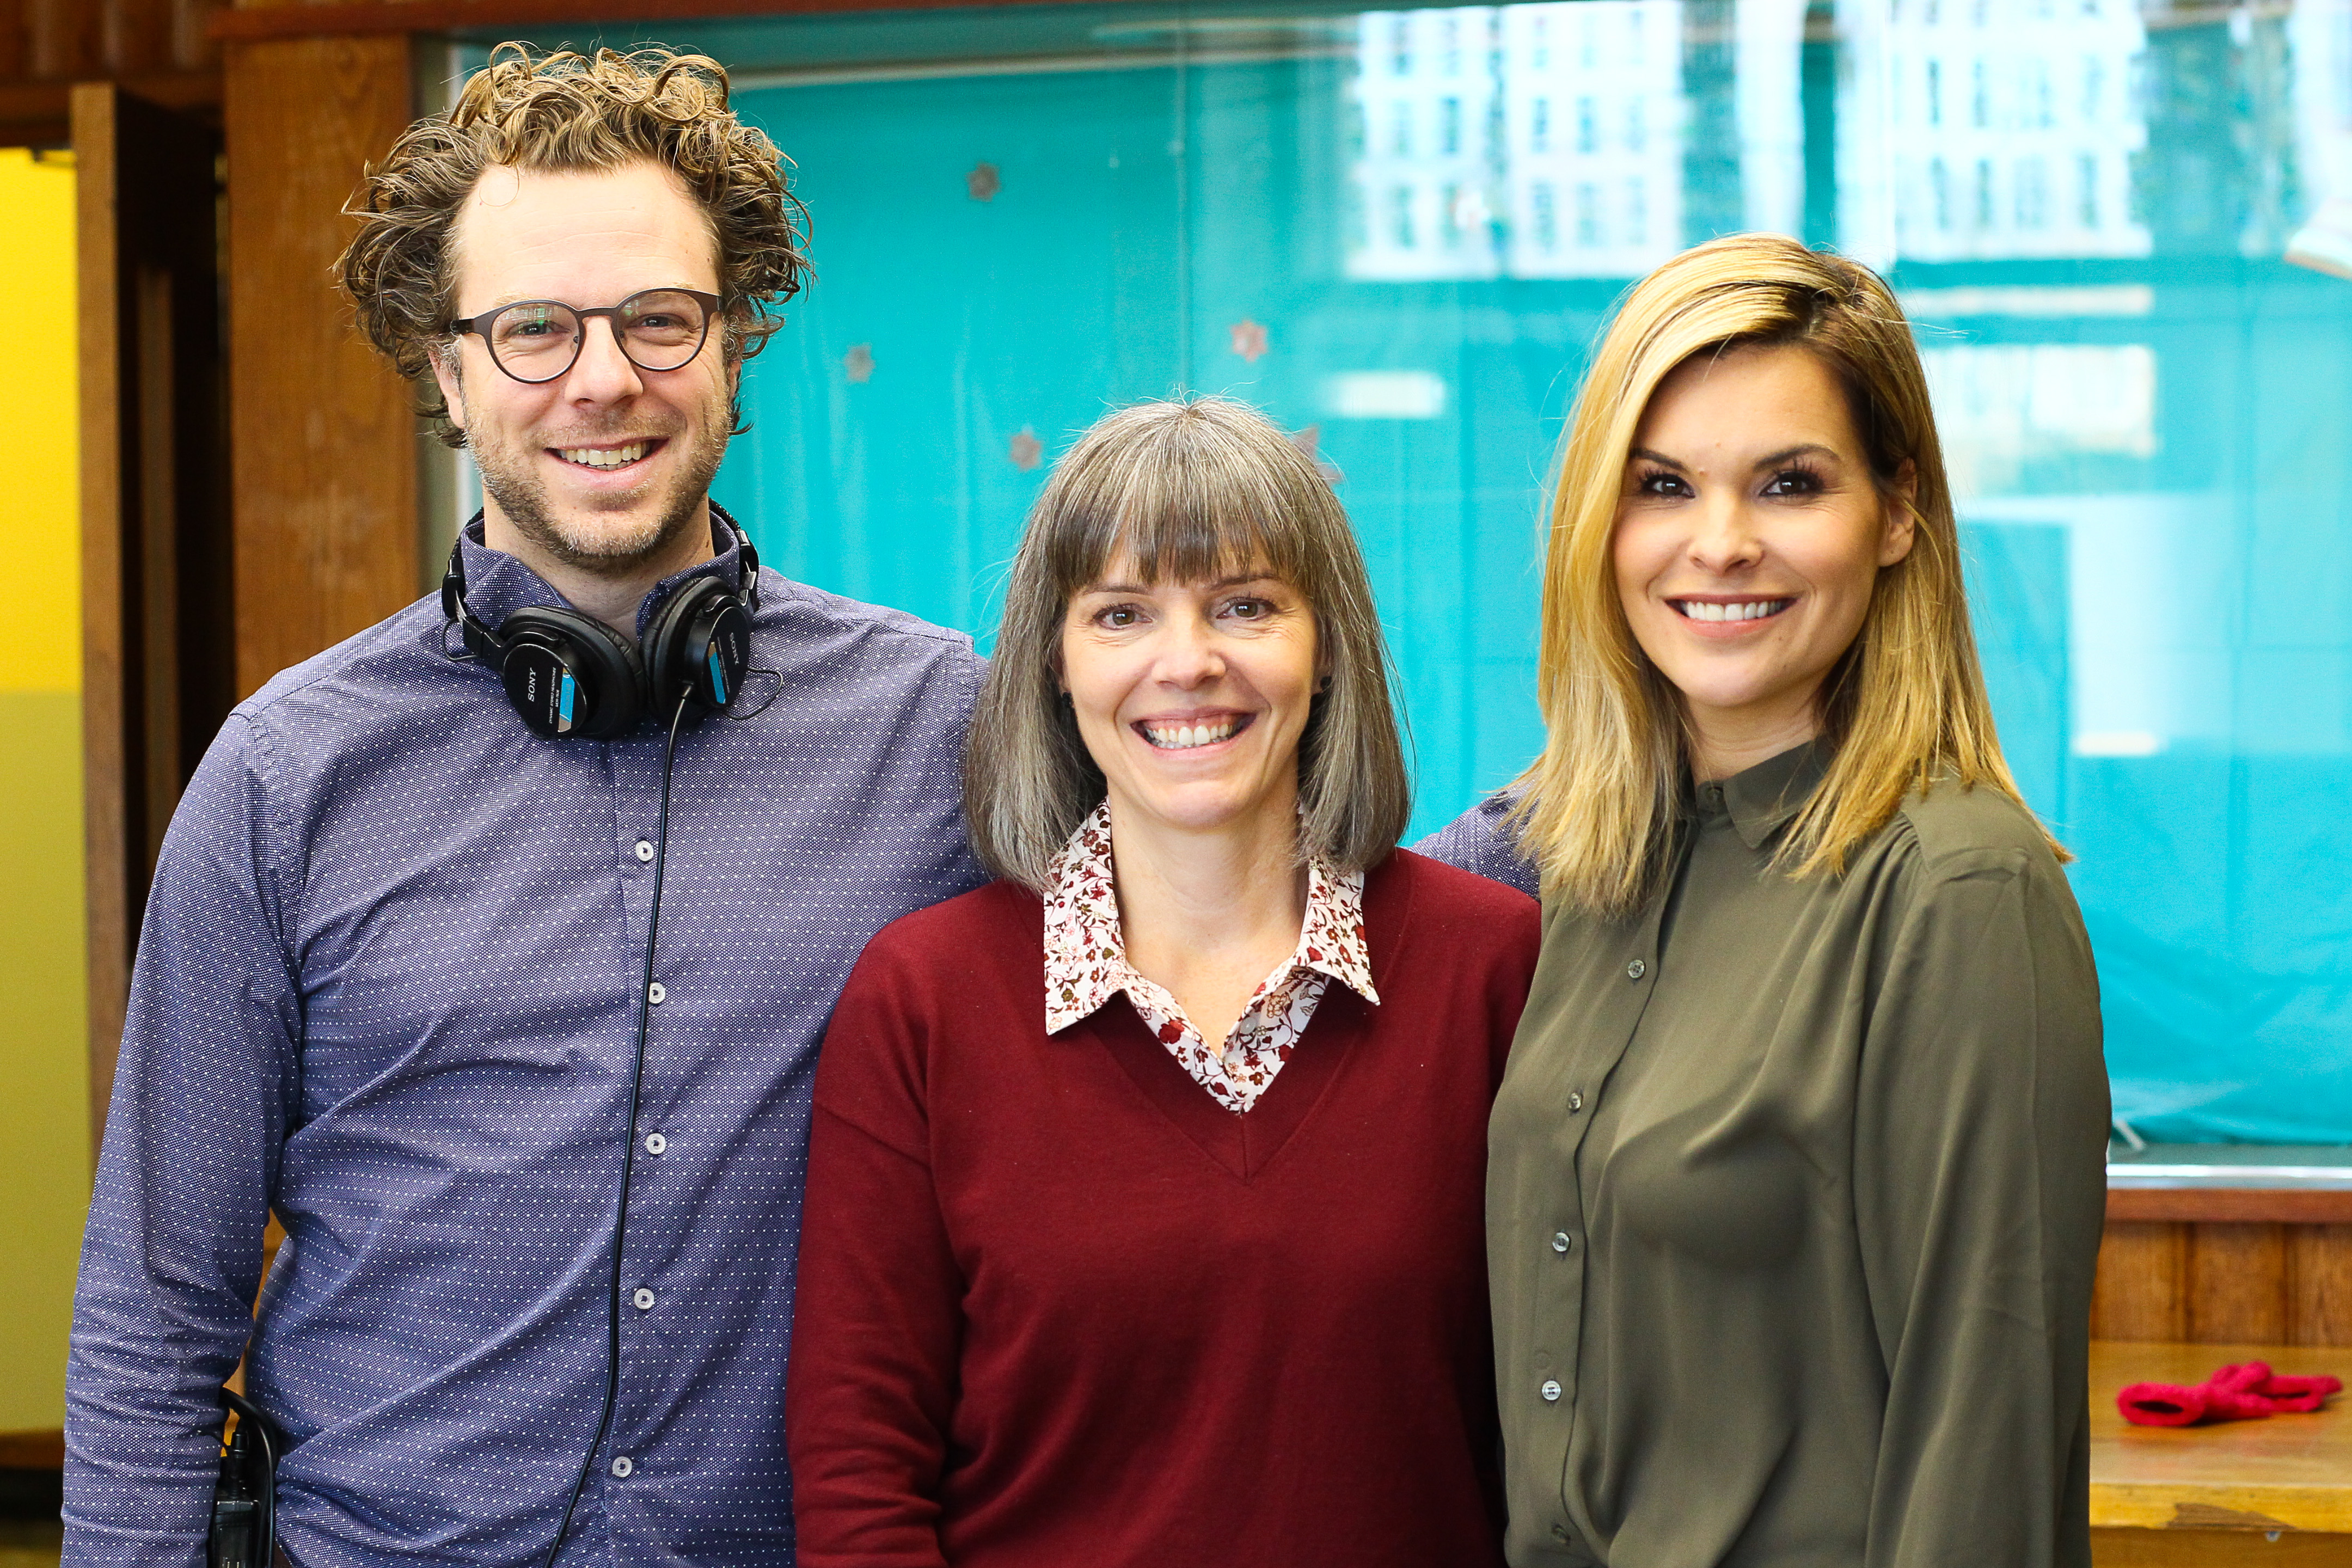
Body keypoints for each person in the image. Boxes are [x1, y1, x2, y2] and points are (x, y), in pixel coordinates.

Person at [65, 45, 985, 1568]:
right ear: (448, 367)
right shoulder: (285, 777)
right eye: (534, 330)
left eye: (659, 321)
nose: (603, 378)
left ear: (736, 342)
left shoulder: (940, 728)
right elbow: (157, 1315)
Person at [1423, 234, 2109, 1566]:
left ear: (1897, 512)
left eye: (1790, 484)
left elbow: (1986, 1453)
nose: (1719, 545)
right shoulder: (1573, 863)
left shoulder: (1959, 891)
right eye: (1663, 485)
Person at [785, 397, 1539, 1568]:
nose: (1187, 664)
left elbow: (1564, 1420)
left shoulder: (1494, 968)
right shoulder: (924, 999)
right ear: (1057, 657)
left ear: (1327, 643)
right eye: (1123, 613)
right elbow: (859, 1476)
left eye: (1245, 605)